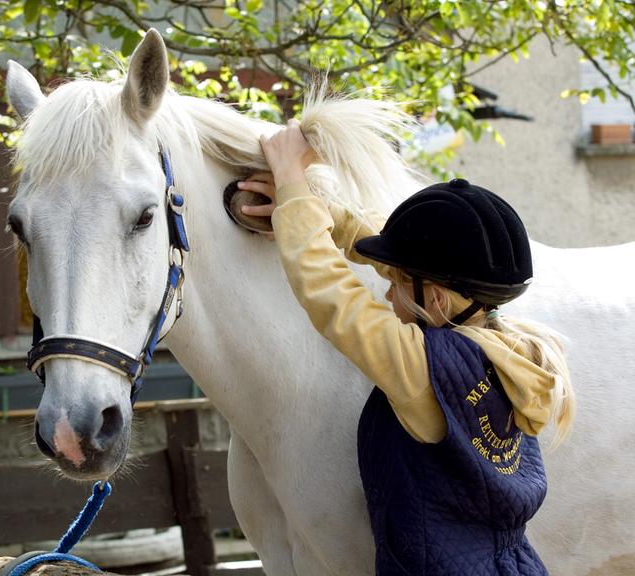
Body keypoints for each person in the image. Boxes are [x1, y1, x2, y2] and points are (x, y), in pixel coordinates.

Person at [238, 120, 575, 575]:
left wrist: (293, 182)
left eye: (395, 286)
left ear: (435, 300)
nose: (387, 294)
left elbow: (330, 294)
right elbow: (402, 254)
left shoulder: (422, 370)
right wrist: (319, 214)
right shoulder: (506, 351)